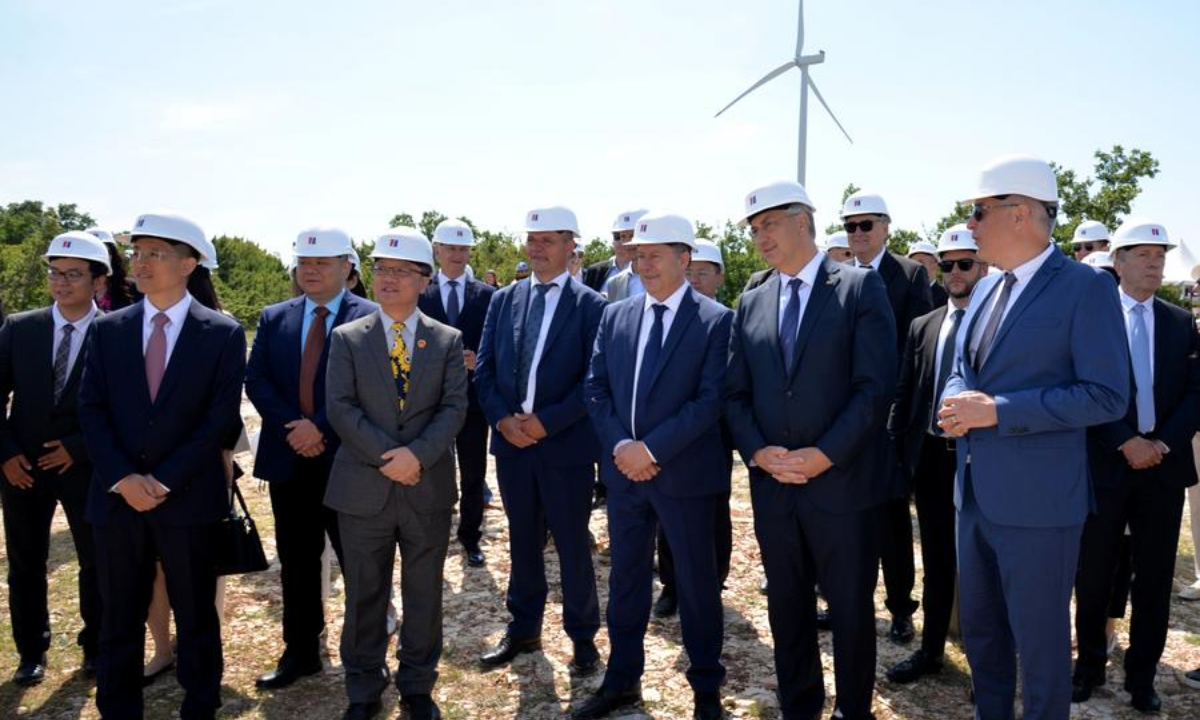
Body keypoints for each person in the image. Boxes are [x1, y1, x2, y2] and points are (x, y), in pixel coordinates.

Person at [937, 155, 1130, 720]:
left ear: (1019, 212)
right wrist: (955, 402)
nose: (970, 225)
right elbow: (960, 368)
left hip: (1042, 506)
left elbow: (1106, 395)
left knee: (1042, 651)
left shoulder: (1084, 288)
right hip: (972, 498)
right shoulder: (987, 289)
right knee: (983, 640)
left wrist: (996, 410)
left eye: (978, 211)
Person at [725, 181, 896, 720]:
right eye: (754, 230)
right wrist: (757, 451)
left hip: (841, 486)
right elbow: (734, 393)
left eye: (769, 225)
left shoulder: (858, 289)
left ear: (803, 221)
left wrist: (826, 454)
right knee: (787, 607)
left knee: (848, 610)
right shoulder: (750, 300)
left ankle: (853, 710)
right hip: (775, 487)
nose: (760, 239)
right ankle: (800, 706)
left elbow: (875, 387)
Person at [79, 212, 246, 720]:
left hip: (188, 501)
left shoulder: (221, 332)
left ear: (188, 263)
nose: (141, 263)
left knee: (196, 617)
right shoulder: (109, 330)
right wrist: (124, 478)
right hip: (118, 502)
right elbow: (91, 408)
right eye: (137, 253)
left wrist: (165, 478)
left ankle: (199, 706)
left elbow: (219, 418)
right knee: (118, 619)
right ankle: (118, 708)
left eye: (155, 253)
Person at [577, 215, 732, 720]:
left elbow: (710, 400)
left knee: (696, 584)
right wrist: (623, 445)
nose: (643, 263)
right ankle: (622, 678)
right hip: (625, 476)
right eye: (639, 254)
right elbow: (596, 389)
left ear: (684, 259)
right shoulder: (615, 315)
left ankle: (706, 688)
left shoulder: (714, 320)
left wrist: (652, 450)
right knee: (625, 580)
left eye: (655, 254)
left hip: (684, 476)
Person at [324, 227, 468, 720]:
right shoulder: (347, 338)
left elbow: (453, 408)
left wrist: (417, 458)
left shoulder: (447, 340)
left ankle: (417, 686)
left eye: (402, 271)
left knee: (424, 593)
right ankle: (363, 689)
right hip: (364, 488)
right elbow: (340, 408)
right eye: (382, 269)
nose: (389, 279)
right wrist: (392, 457)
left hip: (426, 488)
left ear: (425, 280)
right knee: (365, 594)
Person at [1071, 219, 1199, 714]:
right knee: (1094, 574)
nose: (1154, 262)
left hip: (1162, 471)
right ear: (1117, 262)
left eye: (1160, 254)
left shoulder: (1178, 320)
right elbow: (1084, 388)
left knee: (1154, 578)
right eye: (1142, 254)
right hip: (1108, 465)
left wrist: (1161, 444)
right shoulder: (1094, 317)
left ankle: (1141, 676)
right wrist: (1125, 441)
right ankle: (1088, 669)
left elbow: (1195, 392)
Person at [474, 206, 606, 678]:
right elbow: (485, 369)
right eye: (531, 239)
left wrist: (546, 423)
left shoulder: (592, 306)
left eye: (548, 240)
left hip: (563, 446)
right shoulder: (504, 300)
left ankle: (583, 637)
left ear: (572, 244)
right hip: (512, 445)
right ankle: (524, 626)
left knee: (572, 544)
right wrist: (503, 421)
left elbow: (594, 379)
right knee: (522, 539)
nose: (536, 248)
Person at [244, 227, 377, 690]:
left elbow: (367, 387)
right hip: (290, 460)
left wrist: (318, 426)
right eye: (304, 262)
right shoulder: (274, 317)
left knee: (359, 562)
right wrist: (295, 429)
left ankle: (366, 655)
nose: (311, 270)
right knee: (296, 561)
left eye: (322, 263)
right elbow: (257, 380)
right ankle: (301, 651)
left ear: (348, 268)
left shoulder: (372, 317)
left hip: (347, 461)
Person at [0, 231, 110, 686]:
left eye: (73, 275)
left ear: (98, 282)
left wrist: (79, 447)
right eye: (54, 274)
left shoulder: (116, 331)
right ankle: (31, 651)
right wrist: (5, 454)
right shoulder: (20, 328)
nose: (61, 283)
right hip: (21, 467)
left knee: (96, 560)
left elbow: (125, 407)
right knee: (26, 561)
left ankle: (96, 648)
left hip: (84, 468)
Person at [885, 224, 988, 685]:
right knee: (940, 561)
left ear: (984, 266)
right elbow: (905, 393)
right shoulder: (922, 326)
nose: (955, 272)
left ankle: (990, 666)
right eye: (947, 264)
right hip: (931, 458)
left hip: (985, 459)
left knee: (987, 563)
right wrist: (893, 450)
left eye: (965, 263)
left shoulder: (1001, 323)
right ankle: (931, 651)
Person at [842, 189, 933, 645]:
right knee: (841, 518)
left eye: (866, 225)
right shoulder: (833, 276)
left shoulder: (912, 276)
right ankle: (841, 600)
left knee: (891, 521)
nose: (857, 234)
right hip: (840, 421)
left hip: (888, 420)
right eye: (850, 226)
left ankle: (900, 607)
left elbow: (916, 351)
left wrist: (892, 413)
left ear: (886, 227)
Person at [655, 238, 735, 618]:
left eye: (704, 273)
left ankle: (712, 579)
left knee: (713, 514)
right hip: (666, 438)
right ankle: (671, 584)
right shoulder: (666, 314)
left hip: (710, 437)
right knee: (666, 514)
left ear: (719, 278)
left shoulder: (725, 319)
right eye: (692, 273)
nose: (697, 280)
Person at [418, 219, 496, 567]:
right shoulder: (421, 292)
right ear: (436, 250)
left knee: (473, 471)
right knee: (432, 469)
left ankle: (470, 536)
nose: (457, 255)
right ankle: (431, 534)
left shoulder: (489, 295)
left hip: (473, 400)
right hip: (428, 401)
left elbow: (497, 348)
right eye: (450, 248)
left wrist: (477, 360)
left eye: (463, 248)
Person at [584, 209, 647, 293]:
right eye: (623, 236)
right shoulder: (615, 282)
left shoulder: (663, 276)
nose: (627, 242)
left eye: (632, 235)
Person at [87, 229, 137, 311]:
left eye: (104, 251)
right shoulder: (69, 290)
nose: (97, 259)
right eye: (90, 253)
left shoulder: (133, 289)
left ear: (112, 255)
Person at [907, 240, 949, 307]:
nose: (915, 268)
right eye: (912, 264)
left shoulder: (948, 299)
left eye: (920, 263)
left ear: (935, 264)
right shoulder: (904, 297)